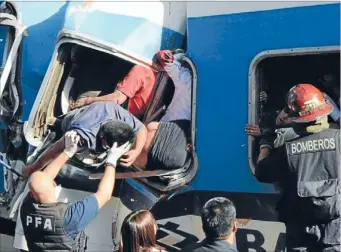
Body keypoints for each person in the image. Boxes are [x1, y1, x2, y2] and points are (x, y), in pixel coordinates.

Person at [255, 84, 340, 251]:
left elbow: (261, 172)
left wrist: (266, 141)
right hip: (336, 236)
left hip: (301, 237)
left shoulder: (287, 150)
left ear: (296, 119)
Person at [20, 130, 131, 252]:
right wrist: (111, 161)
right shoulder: (68, 217)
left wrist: (67, 152)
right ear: (53, 184)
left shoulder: (28, 207)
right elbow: (104, 194)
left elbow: (39, 183)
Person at [22, 101, 147, 178]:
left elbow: (141, 128)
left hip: (90, 113)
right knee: (64, 135)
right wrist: (32, 168)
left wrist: (136, 151)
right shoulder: (82, 136)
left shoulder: (115, 111)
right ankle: (56, 123)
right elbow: (54, 151)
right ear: (104, 141)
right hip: (72, 123)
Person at [70, 56, 163, 120]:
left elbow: (117, 99)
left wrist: (88, 100)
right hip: (134, 119)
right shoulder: (161, 77)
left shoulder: (142, 70)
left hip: (120, 115)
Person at [156, 50, 192, 122]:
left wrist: (182, 55)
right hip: (188, 129)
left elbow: (164, 56)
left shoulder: (186, 77)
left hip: (170, 123)